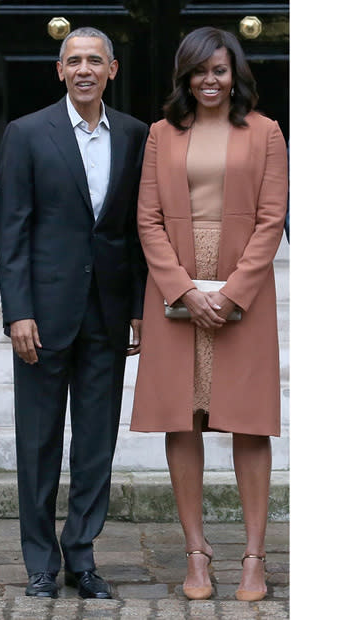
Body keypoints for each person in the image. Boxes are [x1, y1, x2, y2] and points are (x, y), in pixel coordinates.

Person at [130, 27, 288, 602]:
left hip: (244, 287)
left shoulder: (266, 132)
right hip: (176, 283)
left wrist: (233, 292)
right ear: (185, 77)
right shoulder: (160, 134)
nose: (210, 80)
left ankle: (253, 557)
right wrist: (183, 289)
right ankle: (196, 554)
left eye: (219, 69)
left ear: (235, 72)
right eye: (199, 71)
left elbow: (273, 219)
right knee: (183, 417)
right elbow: (147, 218)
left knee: (248, 420)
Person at [0, 27, 148, 599]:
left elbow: (137, 229)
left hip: (108, 315)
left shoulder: (135, 135)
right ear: (60, 70)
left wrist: (137, 306)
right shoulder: (27, 134)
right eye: (74, 60)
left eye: (95, 60)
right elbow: (11, 230)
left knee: (94, 443)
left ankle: (81, 556)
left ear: (112, 69)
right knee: (37, 443)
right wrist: (18, 312)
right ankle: (39, 563)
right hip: (43, 315)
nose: (84, 69)